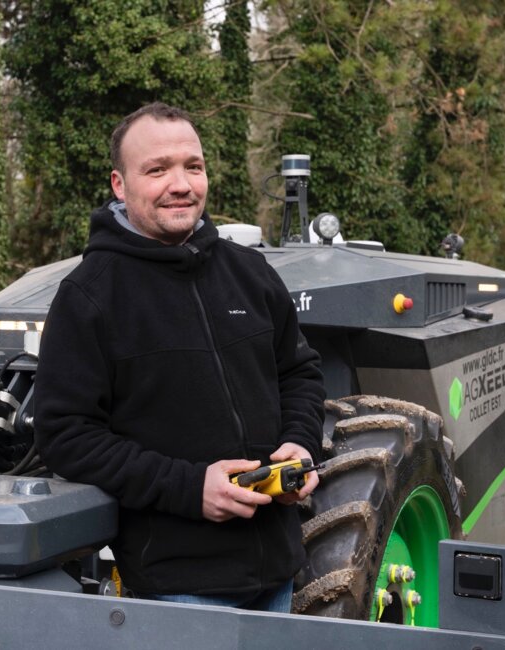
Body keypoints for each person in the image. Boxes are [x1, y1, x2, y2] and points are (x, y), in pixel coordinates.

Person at [34, 102, 325, 612]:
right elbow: (65, 434)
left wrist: (298, 444)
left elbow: (298, 372)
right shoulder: (90, 296)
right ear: (119, 185)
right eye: (157, 169)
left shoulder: (250, 273)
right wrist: (189, 488)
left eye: (193, 166)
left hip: (278, 574)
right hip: (177, 589)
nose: (182, 184)